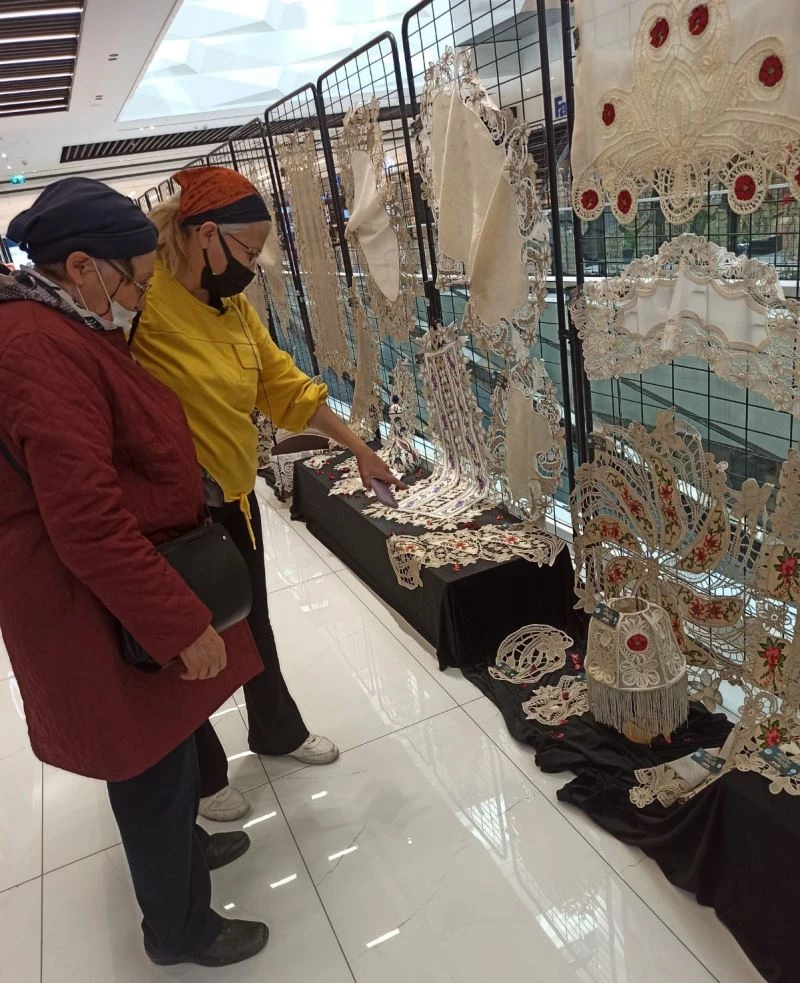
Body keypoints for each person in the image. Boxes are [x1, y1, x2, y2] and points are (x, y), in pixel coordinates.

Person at [0, 178, 269, 969]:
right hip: (93, 598)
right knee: (149, 765)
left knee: (164, 748)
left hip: (109, 588)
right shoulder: (37, 349)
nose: (141, 299)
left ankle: (182, 856)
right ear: (83, 267)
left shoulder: (58, 326)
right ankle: (181, 929)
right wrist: (181, 625)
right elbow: (85, 519)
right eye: (136, 282)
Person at [133, 166, 404, 822]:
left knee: (252, 623)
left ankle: (276, 729)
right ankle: (203, 776)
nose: (253, 266)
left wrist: (359, 447)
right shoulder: (144, 305)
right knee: (191, 644)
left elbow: (283, 385)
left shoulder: (231, 308)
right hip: (173, 516)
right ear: (205, 235)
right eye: (249, 251)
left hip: (233, 500)